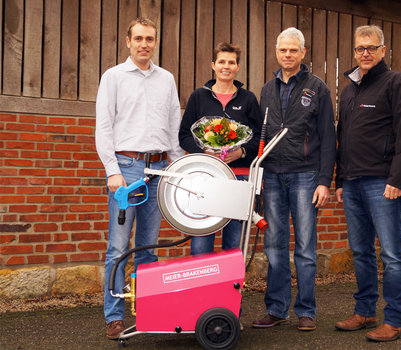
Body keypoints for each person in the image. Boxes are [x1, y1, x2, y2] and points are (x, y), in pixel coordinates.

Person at [95, 17, 185, 340]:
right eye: (139, 39)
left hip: (159, 170)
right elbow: (104, 126)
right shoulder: (114, 77)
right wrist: (112, 170)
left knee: (148, 247)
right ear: (128, 42)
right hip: (127, 169)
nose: (144, 44)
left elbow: (174, 129)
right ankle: (114, 316)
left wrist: (178, 168)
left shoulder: (167, 80)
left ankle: (148, 310)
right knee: (118, 245)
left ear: (155, 42)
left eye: (150, 39)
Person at [334, 25, 401, 342]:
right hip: (353, 184)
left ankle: (395, 320)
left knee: (392, 256)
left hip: (382, 184)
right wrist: (340, 180)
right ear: (354, 51)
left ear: (383, 50)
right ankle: (365, 311)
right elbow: (343, 138)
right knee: (360, 252)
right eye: (360, 48)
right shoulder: (348, 90)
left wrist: (397, 179)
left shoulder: (397, 83)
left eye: (371, 48)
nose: (365, 53)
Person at [251, 27, 336, 332]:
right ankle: (276, 309)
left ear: (302, 53)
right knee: (273, 245)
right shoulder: (266, 90)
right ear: (277, 52)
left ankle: (306, 310)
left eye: (293, 50)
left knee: (304, 247)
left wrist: (325, 181)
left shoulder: (318, 88)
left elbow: (329, 137)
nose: (287, 55)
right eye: (282, 50)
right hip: (272, 176)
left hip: (305, 176)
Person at [178, 42, 262, 255]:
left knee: (233, 246)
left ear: (238, 67)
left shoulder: (248, 99)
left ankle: (229, 289)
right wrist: (204, 152)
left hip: (238, 179)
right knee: (200, 246)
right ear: (213, 65)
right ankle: (202, 288)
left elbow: (260, 137)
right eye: (222, 62)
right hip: (205, 180)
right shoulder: (199, 97)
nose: (226, 66)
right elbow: (184, 136)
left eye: (231, 62)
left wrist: (241, 152)